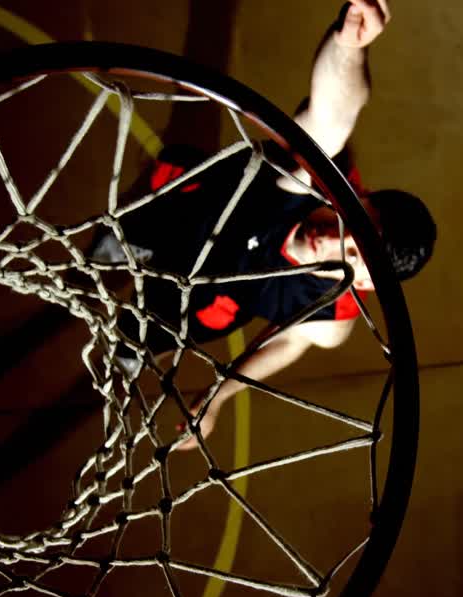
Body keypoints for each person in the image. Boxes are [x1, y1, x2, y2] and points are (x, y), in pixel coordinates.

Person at [93, 0, 435, 449]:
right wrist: (349, 47)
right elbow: (333, 115)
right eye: (348, 221)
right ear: (359, 198)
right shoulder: (318, 177)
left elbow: (287, 343)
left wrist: (219, 395)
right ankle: (125, 241)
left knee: (148, 330)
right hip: (188, 209)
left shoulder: (332, 315)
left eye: (351, 254)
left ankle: (132, 342)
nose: (331, 238)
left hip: (211, 293)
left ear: (365, 283)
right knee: (123, 235)